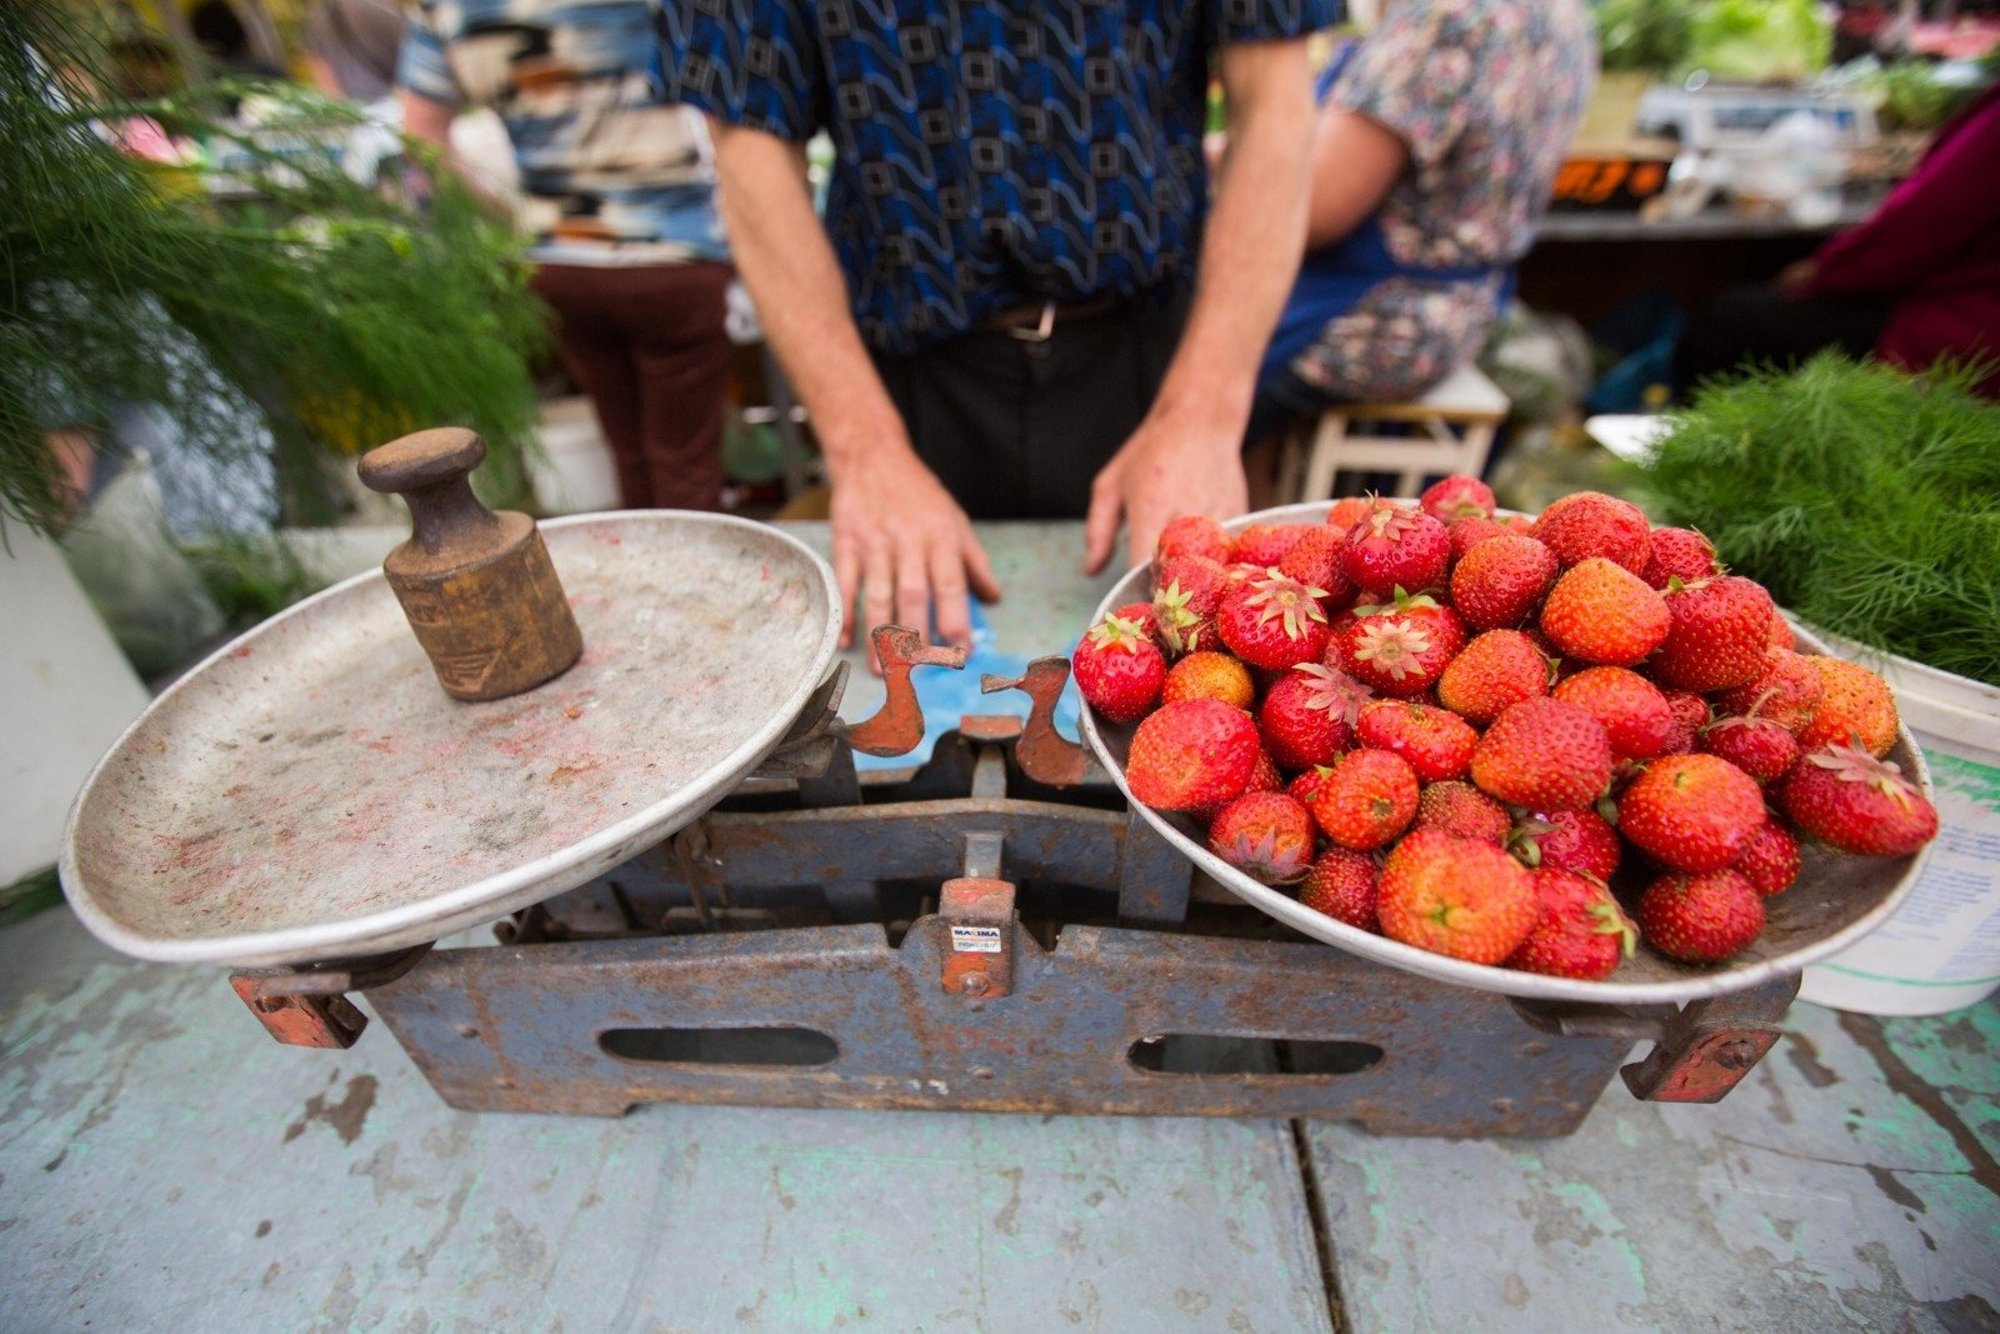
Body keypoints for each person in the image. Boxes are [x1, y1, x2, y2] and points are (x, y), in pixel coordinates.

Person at [661, 0, 1336, 655]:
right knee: (907, 701)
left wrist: (1205, 413)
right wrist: (863, 448)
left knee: (1174, 690)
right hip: (898, 379)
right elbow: (748, 140)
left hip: (1159, 363)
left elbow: (1275, 99)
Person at [398, 1, 735, 511]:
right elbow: (735, 99)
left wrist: (506, 217)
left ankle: (644, 578)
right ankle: (692, 583)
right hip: (673, 253)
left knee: (630, 455)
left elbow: (419, 135)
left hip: (557, 261)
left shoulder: (449, 8)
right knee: (684, 466)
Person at [1247, 0, 1595, 445]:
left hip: (1372, 319)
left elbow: (1315, 212)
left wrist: (1232, 164)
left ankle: (1251, 510)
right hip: (1469, 314)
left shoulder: (1441, 19)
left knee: (1202, 373)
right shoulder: (1565, 16)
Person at [1676, 82, 2000, 399]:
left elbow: (1922, 223)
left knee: (1728, 323)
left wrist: (1827, 272)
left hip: (1963, 336)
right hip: (1968, 321)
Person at [302, 0, 404, 104]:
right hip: (399, 107)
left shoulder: (320, 17)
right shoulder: (385, 13)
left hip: (357, 110)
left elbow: (330, 88)